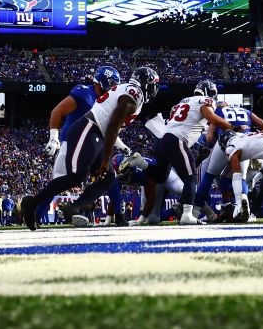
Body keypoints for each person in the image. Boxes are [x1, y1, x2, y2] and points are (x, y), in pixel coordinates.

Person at [20, 67, 160, 229]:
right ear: (147, 84)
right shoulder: (134, 94)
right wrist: (106, 159)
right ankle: (32, 203)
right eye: (153, 85)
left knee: (108, 178)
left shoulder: (131, 92)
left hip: (96, 134)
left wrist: (114, 152)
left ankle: (75, 207)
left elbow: (112, 126)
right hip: (88, 129)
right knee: (76, 175)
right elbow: (113, 125)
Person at [148, 79, 242, 225]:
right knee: (191, 177)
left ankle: (140, 164)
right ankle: (187, 214)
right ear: (209, 93)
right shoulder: (204, 101)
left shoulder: (182, 102)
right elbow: (212, 118)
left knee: (159, 176)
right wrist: (230, 126)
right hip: (176, 140)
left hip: (162, 141)